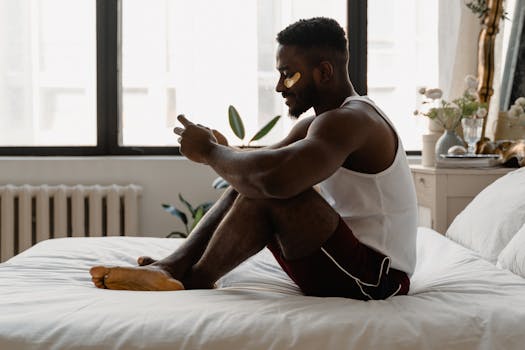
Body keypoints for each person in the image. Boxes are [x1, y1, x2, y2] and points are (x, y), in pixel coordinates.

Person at [90, 17, 418, 300]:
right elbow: (264, 161)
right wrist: (226, 148)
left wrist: (210, 152)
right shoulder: (322, 123)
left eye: (288, 74)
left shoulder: (351, 120)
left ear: (324, 72)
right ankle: (172, 267)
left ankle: (193, 279)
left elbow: (273, 177)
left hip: (376, 278)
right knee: (249, 183)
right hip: (346, 261)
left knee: (271, 191)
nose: (279, 86)